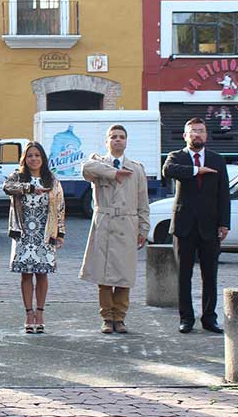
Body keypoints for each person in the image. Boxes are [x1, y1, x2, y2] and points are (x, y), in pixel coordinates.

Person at [80, 125, 150, 334]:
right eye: (113, 137)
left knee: (124, 275)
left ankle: (120, 317)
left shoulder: (136, 168)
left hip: (127, 224)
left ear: (126, 141)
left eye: (121, 137)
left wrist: (143, 229)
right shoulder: (99, 164)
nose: (117, 140)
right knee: (103, 276)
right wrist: (114, 173)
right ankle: (106, 317)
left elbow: (143, 202)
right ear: (107, 141)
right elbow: (86, 168)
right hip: (105, 223)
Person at [163, 117, 230, 335]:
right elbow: (169, 171)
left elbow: (223, 194)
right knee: (184, 275)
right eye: (192, 131)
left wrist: (224, 223)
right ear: (185, 135)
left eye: (200, 131)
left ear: (206, 135)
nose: (197, 135)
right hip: (184, 226)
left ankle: (209, 318)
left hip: (210, 227)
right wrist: (196, 171)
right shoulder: (176, 157)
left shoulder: (217, 159)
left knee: (210, 275)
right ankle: (186, 318)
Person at [3, 141, 65, 334]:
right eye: (30, 155)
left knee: (42, 273)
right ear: (25, 159)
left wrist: (60, 233)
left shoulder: (52, 179)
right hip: (23, 232)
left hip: (44, 232)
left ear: (43, 158)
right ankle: (28, 314)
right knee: (26, 274)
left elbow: (61, 207)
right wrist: (30, 188)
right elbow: (7, 187)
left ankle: (40, 313)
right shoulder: (18, 177)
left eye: (37, 155)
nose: (34, 158)